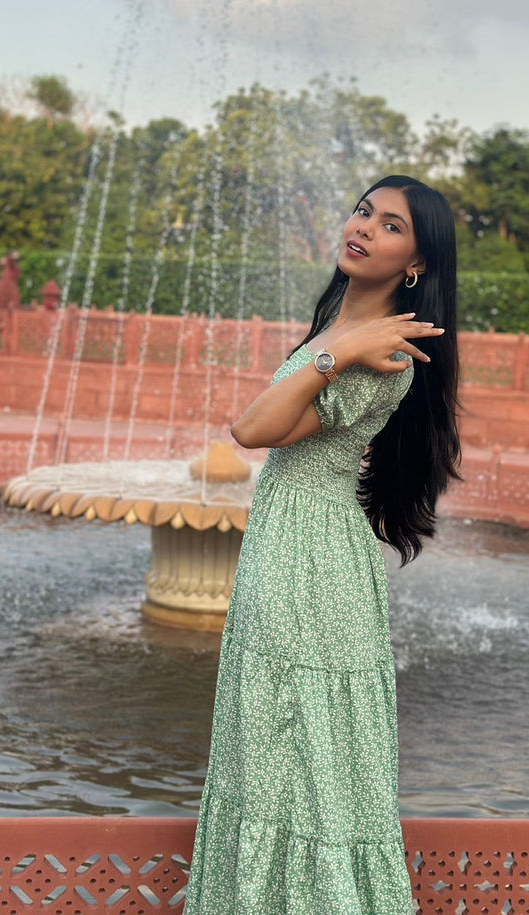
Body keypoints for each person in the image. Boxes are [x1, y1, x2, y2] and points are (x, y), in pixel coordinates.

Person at [184, 174, 461, 914]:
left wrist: (339, 351)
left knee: (307, 755)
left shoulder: (387, 355)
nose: (363, 226)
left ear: (418, 264)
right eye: (363, 210)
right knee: (274, 746)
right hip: (291, 541)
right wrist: (338, 341)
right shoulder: (344, 327)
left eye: (391, 224)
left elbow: (252, 430)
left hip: (311, 561)